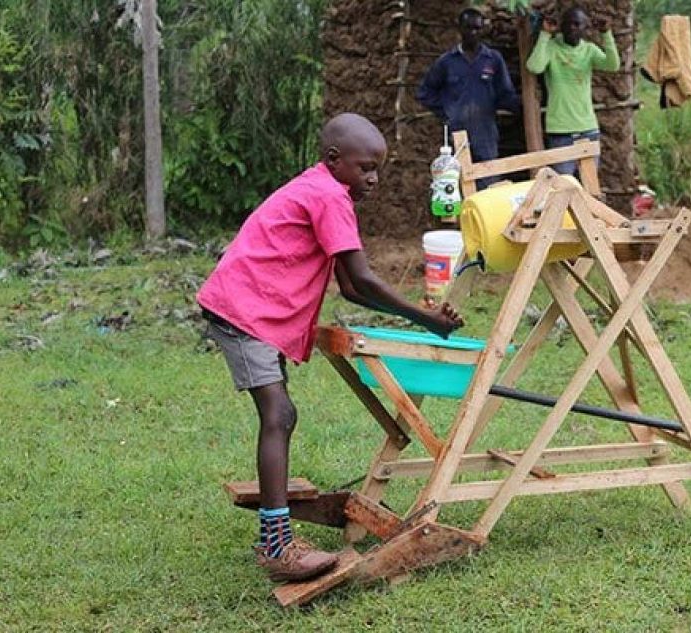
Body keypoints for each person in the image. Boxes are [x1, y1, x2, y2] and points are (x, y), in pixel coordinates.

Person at [197, 113, 464, 583]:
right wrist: (428, 320)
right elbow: (361, 279)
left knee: (282, 414)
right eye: (365, 168)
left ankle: (275, 534)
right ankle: (276, 546)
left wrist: (420, 319)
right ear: (335, 160)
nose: (374, 178)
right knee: (279, 415)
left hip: (252, 306)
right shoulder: (328, 196)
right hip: (243, 309)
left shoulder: (322, 189)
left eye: (378, 168)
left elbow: (351, 288)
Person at [416, 7, 521, 188]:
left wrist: (522, 107)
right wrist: (447, 111)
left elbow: (505, 94)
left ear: (482, 30)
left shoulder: (493, 59)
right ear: (460, 29)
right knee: (457, 185)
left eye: (477, 28)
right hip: (457, 134)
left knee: (487, 185)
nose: (473, 33)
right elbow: (425, 93)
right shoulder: (447, 62)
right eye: (468, 28)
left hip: (485, 134)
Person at [526, 5, 620, 176]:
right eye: (568, 24)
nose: (572, 28)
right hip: (560, 130)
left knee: (589, 188)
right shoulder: (552, 47)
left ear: (586, 28)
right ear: (561, 26)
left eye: (578, 25)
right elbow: (534, 66)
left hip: (588, 128)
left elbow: (613, 65)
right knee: (563, 187)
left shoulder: (589, 50)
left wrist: (607, 34)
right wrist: (545, 34)